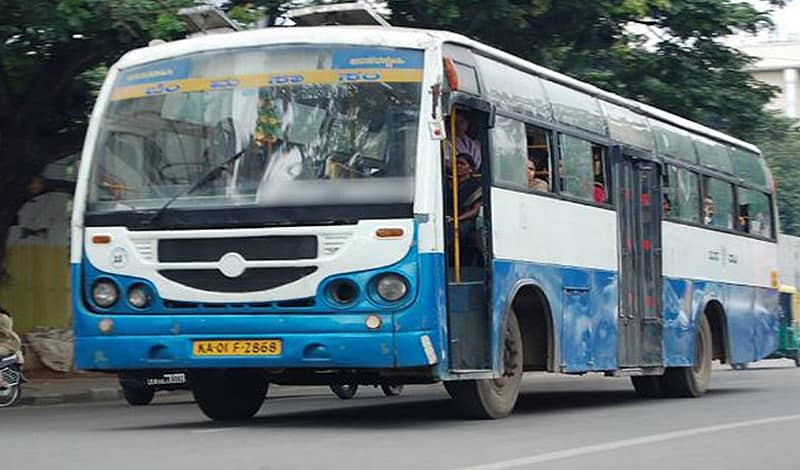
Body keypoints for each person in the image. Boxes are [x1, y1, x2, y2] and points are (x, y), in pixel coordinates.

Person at [446, 154, 483, 266]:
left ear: (470, 168)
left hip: (466, 218)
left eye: (462, 164)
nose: (458, 166)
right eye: (456, 163)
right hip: (446, 216)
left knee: (458, 230)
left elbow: (475, 210)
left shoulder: (476, 186)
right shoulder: (444, 183)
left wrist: (456, 219)